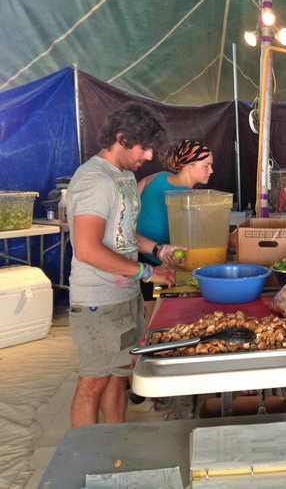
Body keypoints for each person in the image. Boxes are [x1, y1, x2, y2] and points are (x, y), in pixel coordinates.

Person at [66, 103, 180, 427]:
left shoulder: (125, 177)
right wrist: (146, 272)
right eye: (144, 147)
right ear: (121, 138)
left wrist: (158, 250)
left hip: (124, 295)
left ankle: (112, 446)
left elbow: (125, 234)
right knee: (93, 381)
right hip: (98, 302)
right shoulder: (93, 180)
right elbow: (88, 249)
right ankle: (84, 458)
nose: (148, 156)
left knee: (118, 375)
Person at [136, 139, 214, 310]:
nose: (211, 170)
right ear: (188, 165)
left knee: (150, 317)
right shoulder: (190, 200)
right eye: (206, 165)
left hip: (145, 260)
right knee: (157, 317)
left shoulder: (152, 179)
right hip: (157, 264)